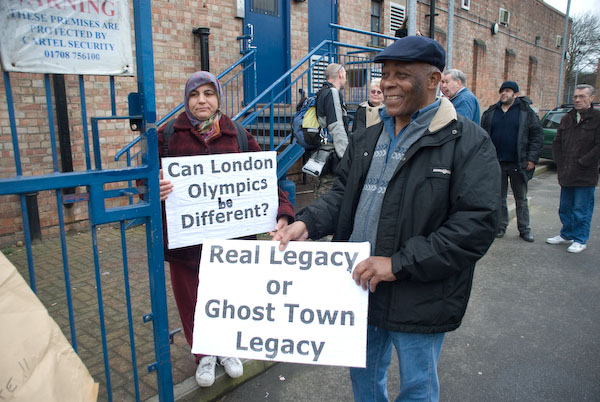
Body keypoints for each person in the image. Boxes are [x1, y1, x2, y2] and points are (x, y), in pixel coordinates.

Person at [273, 36, 500, 402]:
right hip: (360, 288)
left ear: (433, 80)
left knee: (417, 388)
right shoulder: (369, 136)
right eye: (384, 74)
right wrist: (307, 223)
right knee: (364, 382)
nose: (386, 83)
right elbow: (343, 196)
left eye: (401, 75)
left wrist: (398, 263)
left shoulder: (468, 142)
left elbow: (476, 225)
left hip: (420, 296)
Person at [157, 71, 294, 387]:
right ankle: (203, 354)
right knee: (191, 298)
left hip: (232, 240)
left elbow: (263, 180)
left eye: (208, 93)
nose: (201, 100)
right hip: (186, 243)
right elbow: (144, 178)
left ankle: (228, 348)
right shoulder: (167, 136)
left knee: (229, 296)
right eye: (195, 94)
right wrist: (154, 186)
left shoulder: (240, 136)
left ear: (218, 98)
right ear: (187, 99)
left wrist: (283, 212)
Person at [481, 81, 543, 242]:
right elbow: (483, 137)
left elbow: (536, 136)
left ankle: (524, 229)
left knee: (521, 198)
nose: (504, 94)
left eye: (507, 91)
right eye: (502, 91)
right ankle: (500, 227)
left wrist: (531, 159)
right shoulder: (491, 112)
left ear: (515, 94)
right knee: (499, 198)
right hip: (496, 163)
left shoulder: (526, 112)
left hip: (518, 163)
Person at [546, 84, 600, 253]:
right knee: (566, 207)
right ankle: (566, 233)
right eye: (575, 96)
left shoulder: (597, 118)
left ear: (591, 99)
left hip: (585, 174)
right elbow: (557, 142)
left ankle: (580, 238)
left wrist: (583, 162)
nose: (577, 99)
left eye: (582, 96)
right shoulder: (567, 118)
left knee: (581, 208)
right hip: (566, 172)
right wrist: (560, 163)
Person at [314, 62, 350, 195]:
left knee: (321, 192)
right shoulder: (332, 92)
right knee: (330, 195)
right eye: (345, 75)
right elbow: (336, 126)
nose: (345, 79)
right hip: (333, 154)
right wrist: (346, 157)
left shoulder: (321, 92)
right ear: (340, 74)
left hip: (323, 152)